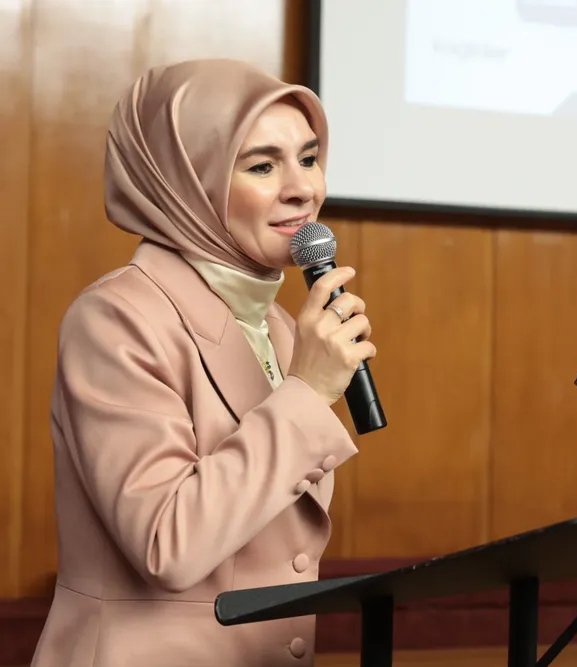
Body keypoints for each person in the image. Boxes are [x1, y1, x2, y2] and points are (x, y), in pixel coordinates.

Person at [30, 58, 376, 667]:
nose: (303, 188)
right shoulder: (115, 318)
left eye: (309, 157)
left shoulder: (280, 326)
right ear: (184, 180)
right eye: (262, 165)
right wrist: (307, 392)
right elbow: (168, 543)